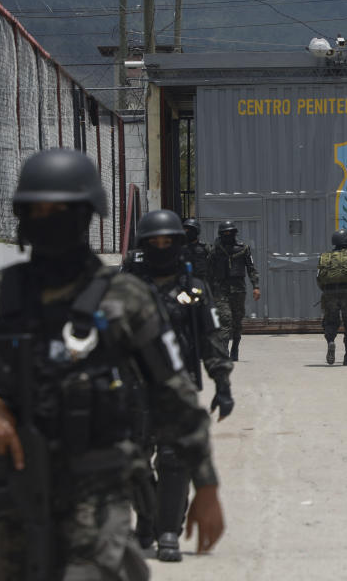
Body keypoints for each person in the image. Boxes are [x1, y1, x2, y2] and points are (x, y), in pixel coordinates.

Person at [0, 148, 223, 580]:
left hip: (97, 497)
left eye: (63, 210)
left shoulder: (125, 299)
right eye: (38, 210)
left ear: (87, 215)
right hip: (15, 496)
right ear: (22, 217)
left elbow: (175, 392)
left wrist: (206, 485)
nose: (49, 219)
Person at [125, 209, 235, 562]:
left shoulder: (194, 290)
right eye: (153, 242)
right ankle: (145, 525)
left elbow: (211, 338)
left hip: (178, 390)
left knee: (174, 462)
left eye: (167, 242)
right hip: (133, 391)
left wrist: (222, 383)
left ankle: (168, 531)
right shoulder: (126, 291)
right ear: (143, 246)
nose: (160, 247)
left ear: (178, 244)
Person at [210, 221, 260, 361]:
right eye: (224, 233)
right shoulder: (215, 250)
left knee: (237, 322)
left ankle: (235, 347)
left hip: (238, 290)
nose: (227, 235)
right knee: (225, 320)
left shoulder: (243, 249)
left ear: (234, 233)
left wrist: (255, 286)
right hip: (221, 290)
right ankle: (224, 350)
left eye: (230, 233)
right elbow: (209, 271)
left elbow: (251, 268)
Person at [317, 228, 347, 365]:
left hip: (329, 295)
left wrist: (327, 290)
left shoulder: (326, 256)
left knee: (330, 322)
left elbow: (319, 279)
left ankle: (331, 341)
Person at [182, 218, 211, 286]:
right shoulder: (180, 248)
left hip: (202, 282)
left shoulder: (205, 247)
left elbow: (212, 264)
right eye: (185, 229)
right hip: (185, 281)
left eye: (190, 230)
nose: (187, 232)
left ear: (196, 231)